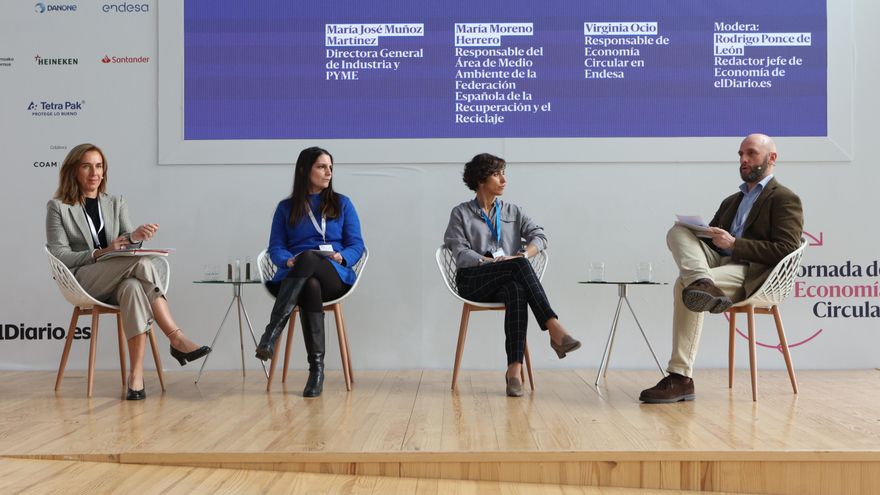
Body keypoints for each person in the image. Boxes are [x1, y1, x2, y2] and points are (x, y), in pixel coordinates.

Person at [639, 133, 804, 403]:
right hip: (719, 262)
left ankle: (681, 378)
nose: (744, 159)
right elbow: (713, 243)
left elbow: (786, 249)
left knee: (684, 284)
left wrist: (735, 244)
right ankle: (703, 282)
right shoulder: (732, 201)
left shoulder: (784, 198)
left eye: (751, 153)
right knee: (678, 231)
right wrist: (703, 233)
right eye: (741, 154)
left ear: (772, 158)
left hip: (754, 273)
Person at [46, 143, 210, 401]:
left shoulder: (115, 202)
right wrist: (100, 252)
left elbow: (129, 247)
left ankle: (136, 377)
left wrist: (135, 237)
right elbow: (59, 254)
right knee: (142, 264)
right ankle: (176, 337)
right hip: (84, 279)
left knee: (133, 287)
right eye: (87, 166)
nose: (94, 173)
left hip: (119, 278)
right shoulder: (58, 207)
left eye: (99, 166)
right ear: (74, 170)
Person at [444, 153, 582, 397]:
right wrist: (492, 261)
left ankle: (514, 372)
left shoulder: (513, 211)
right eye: (497, 174)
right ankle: (553, 328)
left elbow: (540, 237)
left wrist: (524, 254)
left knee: (517, 289)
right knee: (517, 266)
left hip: (506, 279)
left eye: (503, 173)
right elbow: (460, 252)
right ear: (481, 179)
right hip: (473, 280)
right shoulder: (461, 213)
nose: (504, 180)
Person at [255, 146, 365, 398]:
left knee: (309, 259)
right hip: (296, 275)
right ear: (305, 170)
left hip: (333, 275)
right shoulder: (286, 208)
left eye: (330, 167)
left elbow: (356, 245)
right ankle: (317, 372)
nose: (328, 172)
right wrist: (287, 261)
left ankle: (271, 333)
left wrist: (342, 257)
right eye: (322, 167)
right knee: (309, 283)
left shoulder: (342, 204)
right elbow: (276, 247)